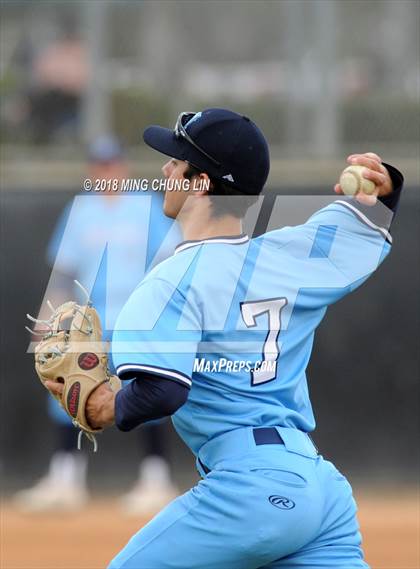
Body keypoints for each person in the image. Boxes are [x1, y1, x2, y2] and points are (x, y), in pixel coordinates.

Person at [46, 109, 403, 568]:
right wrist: (386, 180)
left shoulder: (168, 281)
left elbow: (163, 390)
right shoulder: (290, 254)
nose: (164, 170)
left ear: (199, 183)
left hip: (250, 490)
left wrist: (100, 407)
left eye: (175, 162)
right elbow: (376, 218)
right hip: (320, 491)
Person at [15, 135, 181, 514]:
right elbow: (64, 271)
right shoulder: (82, 210)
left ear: (122, 166)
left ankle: (156, 478)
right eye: (99, 164)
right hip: (87, 317)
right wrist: (47, 317)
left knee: (146, 386)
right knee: (68, 389)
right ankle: (65, 478)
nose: (106, 171)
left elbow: (169, 259)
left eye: (111, 163)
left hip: (137, 311)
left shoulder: (148, 205)